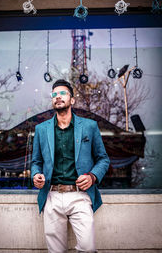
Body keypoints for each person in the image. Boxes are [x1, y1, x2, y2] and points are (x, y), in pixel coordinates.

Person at [31, 79, 110, 253]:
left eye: (62, 93)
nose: (57, 97)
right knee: (56, 251)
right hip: (51, 195)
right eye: (54, 94)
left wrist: (92, 176)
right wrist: (36, 175)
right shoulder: (41, 129)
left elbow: (103, 159)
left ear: (72, 100)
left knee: (88, 248)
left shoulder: (89, 126)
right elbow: (36, 162)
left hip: (80, 196)